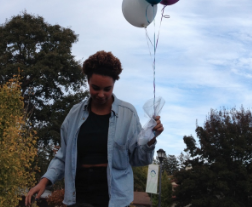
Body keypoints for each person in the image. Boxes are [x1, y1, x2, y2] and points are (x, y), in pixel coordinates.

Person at [25, 51, 164, 207]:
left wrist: (151, 138)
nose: (101, 94)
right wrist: (44, 181)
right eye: (95, 88)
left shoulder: (128, 114)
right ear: (88, 82)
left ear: (114, 85)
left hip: (114, 200)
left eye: (107, 89)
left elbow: (139, 159)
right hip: (79, 198)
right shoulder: (74, 115)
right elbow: (63, 156)